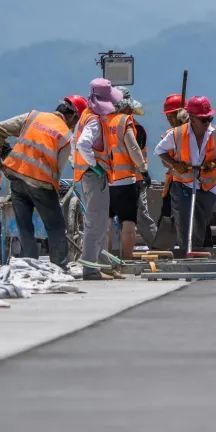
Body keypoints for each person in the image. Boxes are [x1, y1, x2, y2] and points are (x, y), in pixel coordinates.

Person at [0, 101, 77, 268]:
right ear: (71, 116)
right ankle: (59, 267)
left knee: (25, 227)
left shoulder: (33, 117)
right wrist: (53, 190)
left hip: (16, 177)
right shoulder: (66, 136)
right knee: (56, 227)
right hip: (41, 183)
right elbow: (58, 169)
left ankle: (29, 265)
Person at [155, 96, 216, 255]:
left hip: (207, 186)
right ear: (192, 119)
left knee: (200, 220)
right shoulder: (177, 134)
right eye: (204, 119)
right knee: (184, 220)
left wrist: (215, 163)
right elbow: (160, 151)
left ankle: (198, 250)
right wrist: (175, 164)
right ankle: (187, 251)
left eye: (209, 119)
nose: (207, 122)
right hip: (182, 184)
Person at [73, 78, 124, 280]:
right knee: (96, 223)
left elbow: (73, 143)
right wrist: (94, 166)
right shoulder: (94, 120)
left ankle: (101, 265)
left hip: (88, 176)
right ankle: (91, 269)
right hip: (94, 176)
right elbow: (83, 144)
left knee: (100, 222)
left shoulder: (85, 116)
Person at [104, 93, 150, 260]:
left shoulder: (103, 120)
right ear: (125, 107)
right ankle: (127, 259)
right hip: (125, 180)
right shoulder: (125, 121)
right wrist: (143, 170)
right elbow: (134, 148)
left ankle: (106, 259)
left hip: (106, 179)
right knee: (128, 221)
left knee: (107, 221)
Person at [157, 93, 189, 228]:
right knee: (167, 216)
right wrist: (174, 163)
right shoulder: (170, 135)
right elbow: (164, 161)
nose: (169, 119)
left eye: (171, 116)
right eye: (167, 116)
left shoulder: (195, 133)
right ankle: (163, 246)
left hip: (194, 181)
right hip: (174, 182)